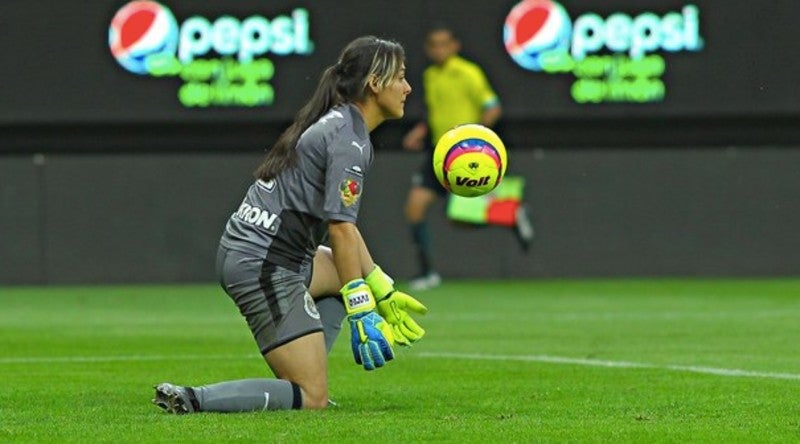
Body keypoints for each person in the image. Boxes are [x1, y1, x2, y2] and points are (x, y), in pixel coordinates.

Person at [152, 36, 428, 414]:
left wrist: (381, 287)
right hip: (264, 263)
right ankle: (193, 397)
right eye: (400, 76)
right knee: (311, 399)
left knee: (338, 279)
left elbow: (346, 228)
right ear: (375, 84)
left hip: (269, 253)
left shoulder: (339, 123)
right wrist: (363, 307)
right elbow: (341, 229)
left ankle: (304, 362)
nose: (408, 87)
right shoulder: (349, 140)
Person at [402, 25, 532, 291]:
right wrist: (421, 130)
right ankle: (427, 273)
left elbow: (492, 107)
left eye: (444, 44)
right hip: (439, 152)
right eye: (433, 45)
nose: (439, 50)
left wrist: (476, 139)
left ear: (454, 46)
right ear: (428, 49)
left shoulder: (468, 72)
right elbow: (437, 112)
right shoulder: (429, 75)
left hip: (465, 154)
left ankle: (510, 211)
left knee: (458, 218)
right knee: (414, 208)